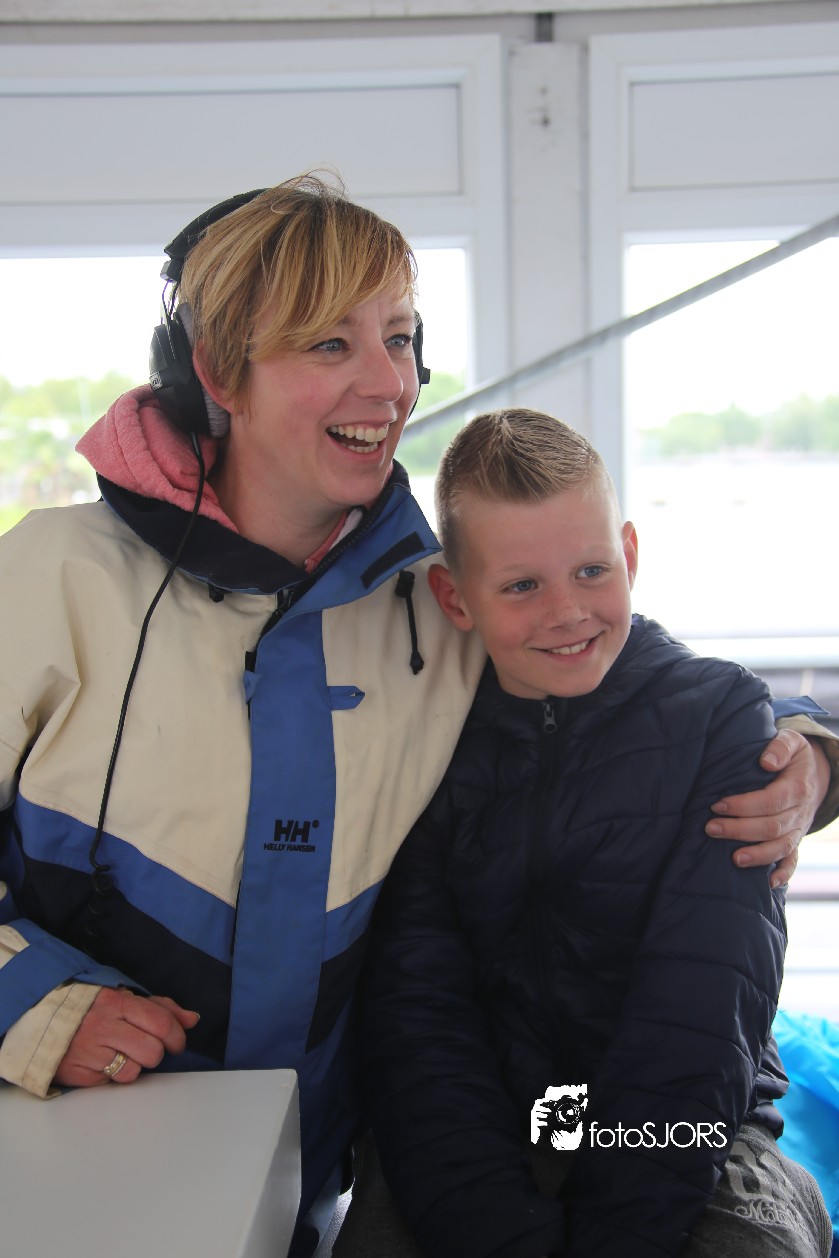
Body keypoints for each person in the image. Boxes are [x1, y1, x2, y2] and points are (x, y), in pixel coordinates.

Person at [0, 179, 832, 1256]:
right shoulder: (51, 577)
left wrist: (807, 748)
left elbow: (629, 680)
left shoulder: (439, 606)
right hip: (74, 1150)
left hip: (313, 1179)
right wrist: (30, 1000)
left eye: (398, 338)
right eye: (329, 344)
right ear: (215, 372)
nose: (388, 382)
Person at [343, 409, 835, 1258]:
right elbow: (417, 1006)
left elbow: (704, 1000)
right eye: (521, 586)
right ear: (454, 597)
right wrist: (493, 1229)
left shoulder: (720, 718)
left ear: (629, 555)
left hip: (692, 1136)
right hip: (482, 1126)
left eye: (591, 570)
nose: (567, 612)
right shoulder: (426, 737)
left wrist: (618, 1238)